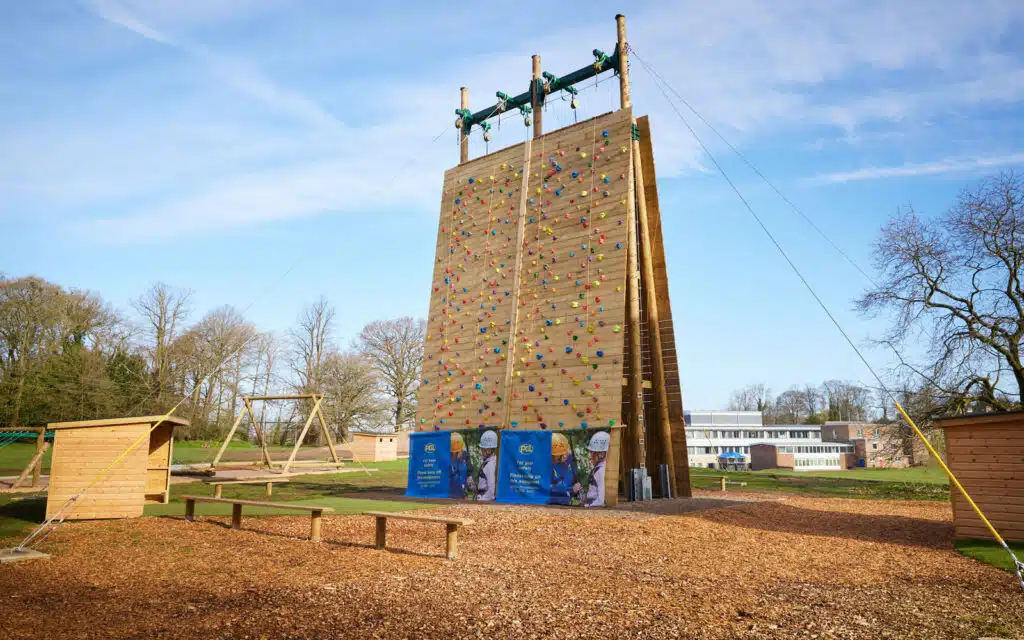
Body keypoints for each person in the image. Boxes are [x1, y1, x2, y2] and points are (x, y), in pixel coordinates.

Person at [581, 431, 609, 507]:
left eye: (594, 453)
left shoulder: (601, 470)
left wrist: (587, 506)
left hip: (594, 505)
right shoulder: (600, 467)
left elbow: (601, 500)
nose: (590, 456)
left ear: (602, 454)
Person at [471, 429, 498, 501]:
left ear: (488, 450)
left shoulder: (490, 465)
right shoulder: (488, 462)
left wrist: (482, 499)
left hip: (484, 500)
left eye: (482, 449)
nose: (481, 451)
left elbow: (492, 490)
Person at [549, 433, 575, 506]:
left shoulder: (568, 463)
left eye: (566, 453)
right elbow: (545, 487)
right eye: (563, 454)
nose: (565, 456)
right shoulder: (545, 466)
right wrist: (570, 490)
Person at [449, 432, 468, 498]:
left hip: (462, 494)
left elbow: (465, 475)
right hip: (451, 495)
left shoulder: (464, 457)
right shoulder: (448, 459)